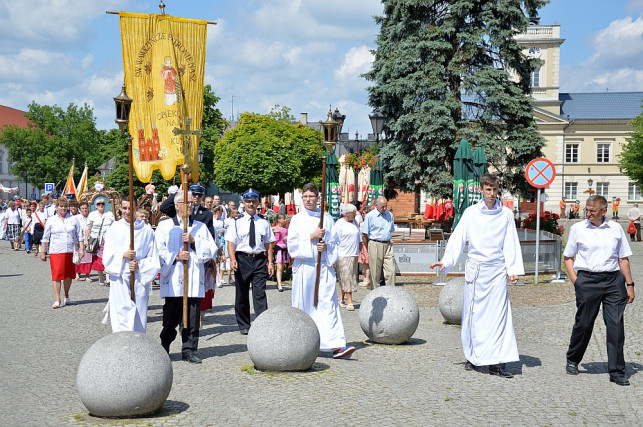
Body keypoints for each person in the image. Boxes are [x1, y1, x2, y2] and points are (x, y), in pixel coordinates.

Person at [430, 173, 523, 378]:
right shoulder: (471, 213)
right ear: (481, 190)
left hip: (497, 270)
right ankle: (473, 356)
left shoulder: (506, 214)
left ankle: (497, 362)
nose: (491, 193)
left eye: (495, 190)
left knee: (498, 317)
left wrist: (513, 269)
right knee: (475, 316)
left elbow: (510, 242)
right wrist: (446, 260)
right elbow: (458, 238)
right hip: (477, 270)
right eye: (488, 190)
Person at [563, 195, 635, 386]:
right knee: (584, 324)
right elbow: (568, 257)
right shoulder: (578, 229)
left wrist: (630, 285)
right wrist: (576, 281)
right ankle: (573, 358)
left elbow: (623, 259)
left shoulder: (616, 228)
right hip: (588, 280)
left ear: (604, 211)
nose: (588, 214)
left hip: (613, 281)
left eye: (592, 211)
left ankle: (617, 371)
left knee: (616, 326)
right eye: (586, 210)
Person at [287, 183, 355, 359]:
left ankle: (335, 344)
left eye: (311, 196)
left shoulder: (326, 219)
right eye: (305, 196)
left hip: (323, 268)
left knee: (328, 304)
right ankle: (302, 343)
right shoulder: (297, 219)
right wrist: (311, 236)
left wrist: (325, 247)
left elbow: (334, 243)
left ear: (318, 198)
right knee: (305, 305)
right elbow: (292, 245)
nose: (308, 200)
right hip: (305, 268)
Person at [156, 189, 217, 363]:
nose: (191, 205)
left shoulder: (200, 227)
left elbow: (210, 250)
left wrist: (194, 241)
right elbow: (158, 250)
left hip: (193, 277)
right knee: (170, 317)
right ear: (177, 206)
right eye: (186, 202)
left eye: (192, 202)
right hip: (174, 278)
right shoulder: (165, 226)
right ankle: (165, 344)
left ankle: (189, 349)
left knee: (192, 315)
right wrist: (175, 256)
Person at [102, 196, 160, 333]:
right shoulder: (114, 229)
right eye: (125, 208)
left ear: (136, 208)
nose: (128, 211)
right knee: (121, 315)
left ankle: (138, 348)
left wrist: (140, 265)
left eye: (131, 208)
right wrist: (123, 255)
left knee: (138, 316)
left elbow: (154, 258)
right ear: (120, 209)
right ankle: (122, 348)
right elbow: (107, 257)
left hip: (139, 278)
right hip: (120, 277)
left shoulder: (146, 231)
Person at [227, 188, 275, 335]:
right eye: (248, 201)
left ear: (257, 203)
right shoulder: (236, 221)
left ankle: (261, 323)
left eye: (253, 201)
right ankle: (244, 325)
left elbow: (269, 243)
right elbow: (230, 242)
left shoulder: (264, 221)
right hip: (242, 259)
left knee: (260, 293)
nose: (251, 204)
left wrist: (270, 262)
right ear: (244, 203)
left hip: (259, 259)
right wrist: (233, 259)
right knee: (241, 293)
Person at [40, 198, 85, 309]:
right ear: (57, 208)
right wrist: (43, 251)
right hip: (56, 251)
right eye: (61, 206)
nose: (63, 208)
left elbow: (80, 235)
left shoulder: (73, 219)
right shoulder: (51, 220)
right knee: (57, 275)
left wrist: (82, 249)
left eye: (65, 206)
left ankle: (66, 294)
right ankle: (57, 299)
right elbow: (45, 237)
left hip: (70, 250)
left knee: (69, 275)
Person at [361, 196, 396, 288]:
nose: (384, 209)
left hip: (387, 244)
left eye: (386, 206)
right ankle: (375, 292)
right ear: (376, 205)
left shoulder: (389, 215)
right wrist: (367, 247)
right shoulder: (370, 216)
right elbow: (364, 234)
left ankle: (390, 291)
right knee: (375, 271)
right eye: (382, 207)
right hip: (375, 243)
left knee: (391, 270)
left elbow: (391, 230)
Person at [335, 203, 362, 311]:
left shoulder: (354, 222)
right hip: (343, 254)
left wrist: (361, 252)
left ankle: (341, 298)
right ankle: (350, 301)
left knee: (349, 277)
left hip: (354, 253)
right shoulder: (339, 223)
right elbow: (335, 240)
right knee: (347, 277)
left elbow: (359, 237)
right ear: (347, 214)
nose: (355, 215)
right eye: (353, 213)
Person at [85, 198, 115, 286]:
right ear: (96, 206)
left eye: (102, 203)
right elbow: (88, 227)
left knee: (109, 257)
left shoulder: (109, 214)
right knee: (98, 259)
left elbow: (114, 226)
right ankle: (101, 277)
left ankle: (108, 277)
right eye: (98, 204)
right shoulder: (92, 215)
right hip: (96, 239)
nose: (101, 205)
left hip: (107, 239)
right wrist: (86, 239)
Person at [74, 202, 93, 281]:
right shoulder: (76, 218)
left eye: (86, 208)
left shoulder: (91, 217)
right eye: (83, 208)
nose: (85, 210)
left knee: (88, 258)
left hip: (89, 240)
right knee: (79, 257)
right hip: (79, 240)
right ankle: (77, 273)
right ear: (80, 209)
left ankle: (87, 275)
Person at [272, 213, 290, 292]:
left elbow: (290, 236)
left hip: (285, 248)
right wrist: (275, 231)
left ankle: (278, 282)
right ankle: (279, 285)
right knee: (279, 267)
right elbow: (268, 230)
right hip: (278, 247)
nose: (285, 220)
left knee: (282, 267)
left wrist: (287, 237)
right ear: (279, 220)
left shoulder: (286, 228)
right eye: (283, 219)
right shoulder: (275, 228)